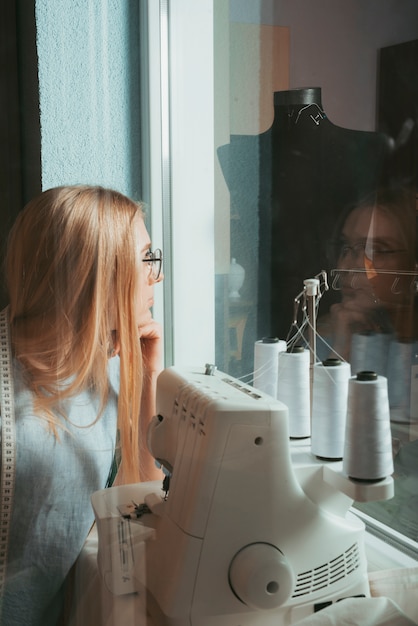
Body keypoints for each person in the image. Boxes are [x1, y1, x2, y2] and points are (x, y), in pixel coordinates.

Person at [0, 185, 164, 625]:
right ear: (95, 277)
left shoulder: (94, 371)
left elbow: (141, 501)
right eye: (147, 259)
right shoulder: (16, 426)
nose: (157, 276)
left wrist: (147, 373)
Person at [318, 187, 417, 363]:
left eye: (375, 250)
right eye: (344, 247)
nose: (346, 266)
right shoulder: (329, 332)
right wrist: (341, 350)